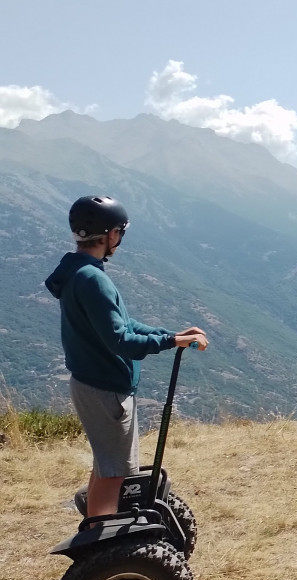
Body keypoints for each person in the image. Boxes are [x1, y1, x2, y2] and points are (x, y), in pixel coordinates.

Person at [44, 195, 209, 518]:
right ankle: (104, 544)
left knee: (106, 464)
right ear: (110, 235)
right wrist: (172, 340)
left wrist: (172, 336)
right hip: (107, 389)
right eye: (120, 231)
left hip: (90, 381)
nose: (120, 239)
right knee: (115, 471)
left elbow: (122, 324)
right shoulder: (93, 280)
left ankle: (96, 526)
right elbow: (122, 340)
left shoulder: (77, 271)